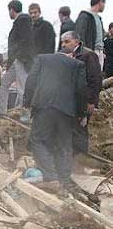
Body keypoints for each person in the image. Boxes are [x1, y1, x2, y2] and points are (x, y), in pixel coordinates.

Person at [24, 52, 86, 193]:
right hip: (67, 110)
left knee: (38, 140)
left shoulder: (42, 58)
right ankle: (64, 181)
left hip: (44, 105)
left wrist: (27, 102)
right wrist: (82, 113)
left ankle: (51, 176)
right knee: (63, 145)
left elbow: (31, 80)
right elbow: (81, 89)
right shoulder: (77, 64)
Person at [60, 31, 102, 155]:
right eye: (62, 42)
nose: (63, 45)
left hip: (83, 99)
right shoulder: (65, 55)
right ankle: (70, 158)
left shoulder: (88, 55)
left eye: (67, 42)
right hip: (69, 99)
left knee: (80, 129)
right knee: (70, 128)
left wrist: (91, 102)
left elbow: (94, 80)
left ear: (76, 42)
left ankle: (80, 159)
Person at [0, 0, 34, 115]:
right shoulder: (22, 21)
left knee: (22, 89)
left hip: (21, 59)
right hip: (16, 60)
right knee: (3, 84)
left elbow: (25, 41)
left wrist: (20, 57)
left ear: (11, 9)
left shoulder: (23, 20)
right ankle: (1, 112)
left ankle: (25, 116)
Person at [76, 0, 106, 68]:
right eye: (104, 3)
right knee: (90, 75)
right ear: (100, 2)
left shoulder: (99, 18)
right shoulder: (85, 16)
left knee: (97, 76)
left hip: (99, 52)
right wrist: (85, 51)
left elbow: (101, 36)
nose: (104, 5)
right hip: (90, 51)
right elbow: (79, 34)